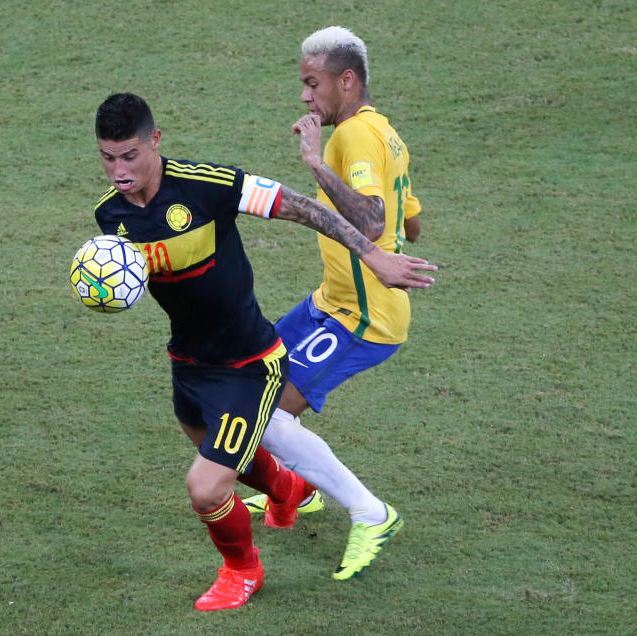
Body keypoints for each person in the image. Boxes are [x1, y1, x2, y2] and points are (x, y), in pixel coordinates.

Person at [90, 93, 435, 611]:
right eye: (108, 157)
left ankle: (242, 571)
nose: (119, 170)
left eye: (130, 155)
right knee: (238, 458)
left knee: (207, 487)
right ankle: (290, 491)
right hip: (188, 362)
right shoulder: (110, 217)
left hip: (249, 363)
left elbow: (302, 208)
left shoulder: (211, 186)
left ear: (156, 142)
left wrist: (375, 257)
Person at [242, 26, 426, 582]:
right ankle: (297, 491)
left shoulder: (354, 139)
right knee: (249, 383)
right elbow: (409, 224)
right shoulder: (386, 134)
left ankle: (372, 512)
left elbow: (372, 219)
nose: (304, 96)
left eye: (312, 83)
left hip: (363, 317)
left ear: (346, 80)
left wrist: (315, 163)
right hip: (331, 301)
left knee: (268, 419)